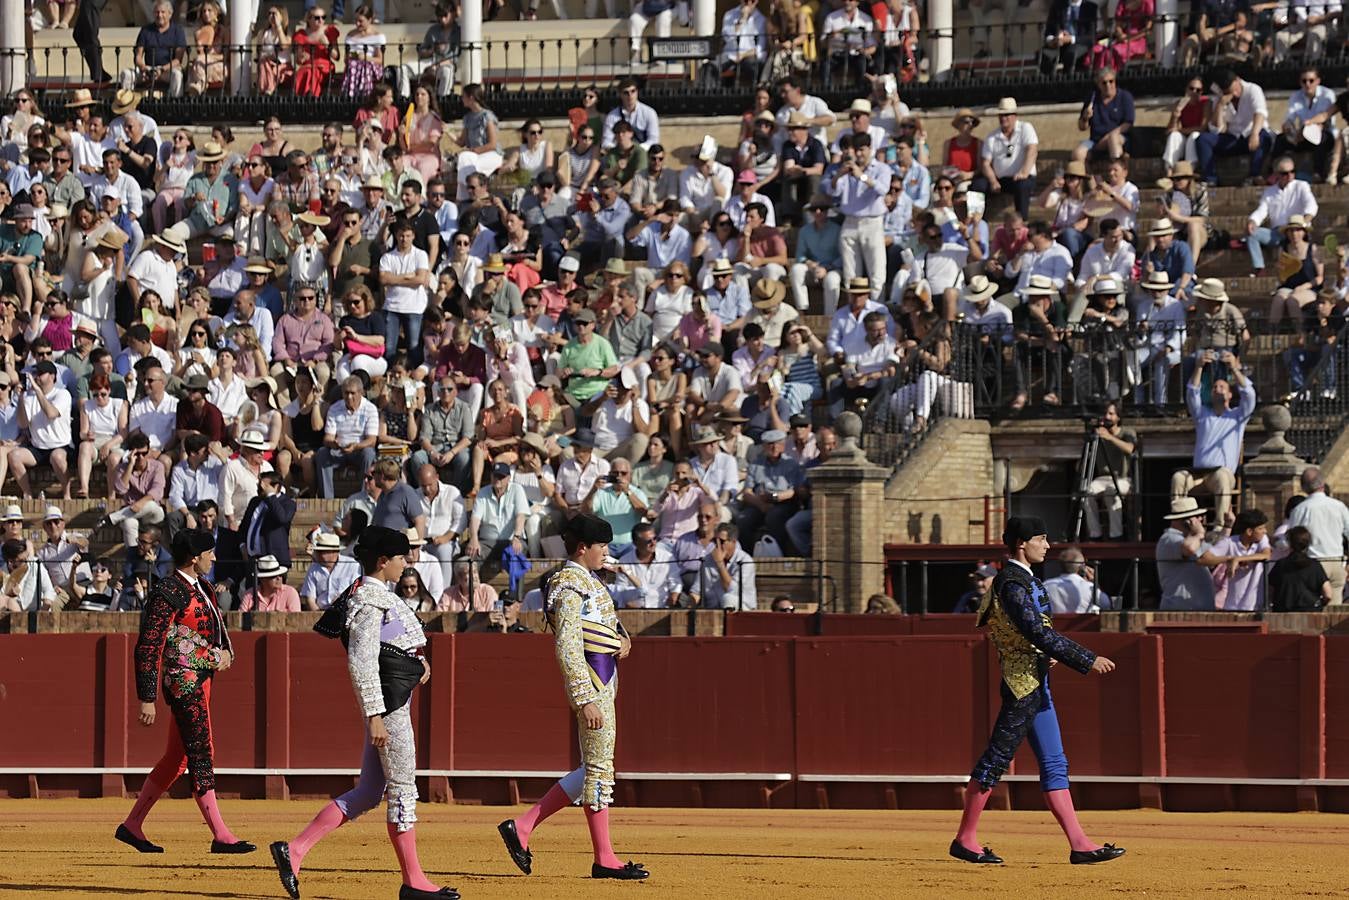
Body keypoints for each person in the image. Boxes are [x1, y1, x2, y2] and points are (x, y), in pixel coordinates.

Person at [270, 527, 457, 900]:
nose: (407, 563)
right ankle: (413, 881)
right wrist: (374, 715)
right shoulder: (370, 601)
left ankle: (295, 849)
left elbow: (393, 648)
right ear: (383, 561)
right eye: (401, 557)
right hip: (388, 710)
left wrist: (417, 664)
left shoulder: (374, 594)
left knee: (370, 792)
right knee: (402, 789)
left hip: (389, 705)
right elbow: (362, 662)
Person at [951, 516, 1122, 867]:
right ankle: (965, 838)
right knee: (997, 758)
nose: (1047, 545)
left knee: (1054, 762)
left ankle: (1080, 843)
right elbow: (1036, 632)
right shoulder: (1012, 583)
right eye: (1041, 539)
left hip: (1036, 681)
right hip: (1022, 686)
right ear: (1021, 543)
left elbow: (1032, 633)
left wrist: (1046, 655)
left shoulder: (1023, 580)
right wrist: (1085, 659)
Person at [496, 514, 648, 882]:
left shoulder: (588, 580)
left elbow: (605, 622)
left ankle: (523, 827)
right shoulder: (567, 585)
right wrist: (584, 698)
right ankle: (604, 858)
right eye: (602, 546)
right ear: (583, 548)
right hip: (593, 683)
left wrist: (622, 639)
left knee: (592, 767)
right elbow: (567, 646)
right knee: (598, 768)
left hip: (604, 680)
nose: (606, 552)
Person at [115, 529, 254, 856]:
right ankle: (221, 834)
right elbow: (150, 645)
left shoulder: (202, 586)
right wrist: (147, 698)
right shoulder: (167, 591)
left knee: (176, 759)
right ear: (194, 557)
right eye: (209, 553)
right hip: (183, 683)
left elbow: (216, 627)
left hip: (201, 680)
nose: (213, 558)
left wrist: (226, 652)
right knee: (201, 750)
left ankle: (132, 825)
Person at [1171, 350, 1256, 526]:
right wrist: (1199, 367)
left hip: (1221, 476)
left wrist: (1234, 369)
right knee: (1178, 477)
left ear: (1230, 394)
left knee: (1222, 476)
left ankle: (1220, 526)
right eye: (1214, 387)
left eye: (1222, 387)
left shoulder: (1238, 416)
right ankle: (1179, 523)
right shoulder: (1202, 414)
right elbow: (1192, 392)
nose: (1217, 389)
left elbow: (1249, 394)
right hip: (1198, 475)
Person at [1197, 70, 1272, 187]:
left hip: (1250, 135)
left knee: (1264, 137)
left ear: (1237, 80)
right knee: (1203, 139)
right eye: (1229, 92)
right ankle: (1210, 178)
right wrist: (1220, 105)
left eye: (1234, 90)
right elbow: (1217, 129)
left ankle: (1254, 175)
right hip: (1232, 138)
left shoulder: (1253, 89)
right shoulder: (1220, 98)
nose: (1235, 94)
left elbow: (1260, 112)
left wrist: (1254, 133)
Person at [1286, 466, 1349, 606]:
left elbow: (1291, 537)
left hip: (1311, 563)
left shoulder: (1300, 509)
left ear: (1303, 487)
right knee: (1334, 609)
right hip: (1336, 561)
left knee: (1311, 605)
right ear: (1323, 483)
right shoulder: (1339, 506)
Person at [1078, 402, 1136, 541]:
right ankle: (1095, 534)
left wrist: (1110, 437)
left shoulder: (1127, 432)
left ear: (1118, 417)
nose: (1107, 417)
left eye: (1111, 414)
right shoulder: (1098, 434)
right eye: (1105, 414)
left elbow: (1130, 448)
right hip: (1102, 478)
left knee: (1111, 491)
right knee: (1086, 493)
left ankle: (1116, 535)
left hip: (1122, 478)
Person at [974, 98, 1039, 220]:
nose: (1003, 118)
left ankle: (1021, 222)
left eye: (1007, 115)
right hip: (1000, 179)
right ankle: (975, 220)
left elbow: (1032, 150)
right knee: (978, 185)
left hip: (1021, 177)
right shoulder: (992, 136)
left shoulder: (1026, 128)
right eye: (1001, 115)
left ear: (1015, 116)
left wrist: (1024, 172)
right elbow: (985, 163)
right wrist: (993, 181)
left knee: (1022, 186)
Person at [1156, 497, 1222, 610]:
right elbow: (1189, 549)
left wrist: (1227, 527)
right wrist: (1199, 533)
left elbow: (1214, 554)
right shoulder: (1169, 538)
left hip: (1199, 610)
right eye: (1197, 517)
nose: (1201, 519)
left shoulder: (1192, 539)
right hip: (1180, 610)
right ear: (1187, 521)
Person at [318, 377, 380, 499]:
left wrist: (356, 446)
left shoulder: (370, 409)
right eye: (346, 393)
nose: (349, 397)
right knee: (322, 453)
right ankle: (327, 499)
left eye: (352, 393)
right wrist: (333, 443)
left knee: (369, 453)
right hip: (339, 450)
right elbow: (327, 438)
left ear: (361, 393)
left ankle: (364, 497)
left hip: (359, 450)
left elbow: (372, 440)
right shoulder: (334, 408)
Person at [1269, 526, 1333, 611]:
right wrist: (1320, 603)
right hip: (1311, 610)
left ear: (1290, 543)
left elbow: (1270, 591)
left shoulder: (1280, 565)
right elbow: (1328, 594)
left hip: (1284, 611)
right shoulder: (1315, 565)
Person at [697, 522, 756, 609]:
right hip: (713, 609)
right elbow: (696, 591)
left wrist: (719, 563)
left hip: (742, 608)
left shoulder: (745, 561)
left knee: (728, 599)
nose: (717, 545)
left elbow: (730, 589)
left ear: (733, 542)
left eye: (721, 541)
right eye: (715, 541)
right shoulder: (708, 559)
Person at [1041, 547, 1111, 614]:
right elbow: (1106, 605)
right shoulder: (1090, 587)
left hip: (1053, 622)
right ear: (1082, 568)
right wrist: (1095, 583)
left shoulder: (1046, 585)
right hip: (1082, 622)